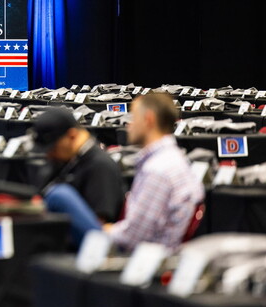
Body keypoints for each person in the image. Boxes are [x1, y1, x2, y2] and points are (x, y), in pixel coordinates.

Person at [43, 93, 204, 250]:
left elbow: (133, 238)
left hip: (134, 258)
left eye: (133, 118)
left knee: (60, 196)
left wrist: (106, 230)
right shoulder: (173, 160)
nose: (129, 125)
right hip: (144, 249)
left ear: (148, 120)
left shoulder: (158, 170)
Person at [30, 108, 125, 244]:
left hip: (86, 248)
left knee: (59, 195)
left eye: (53, 148)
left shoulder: (100, 166)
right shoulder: (64, 160)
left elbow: (98, 225)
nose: (49, 154)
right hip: (55, 237)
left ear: (72, 136)